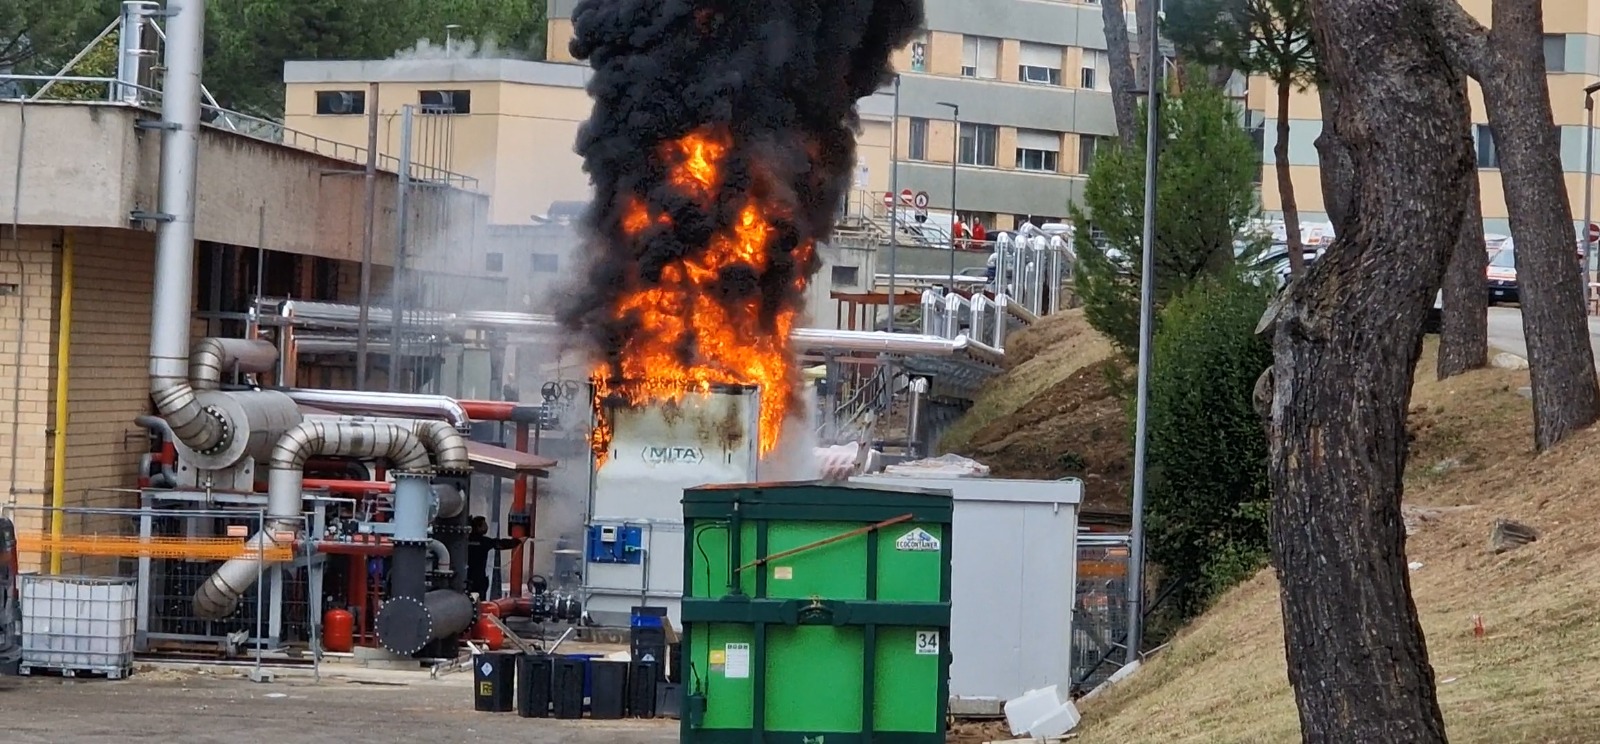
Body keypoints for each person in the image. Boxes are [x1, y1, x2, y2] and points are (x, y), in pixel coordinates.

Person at [467, 516, 523, 599]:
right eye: (484, 525)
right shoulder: (484, 541)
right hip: (479, 580)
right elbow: (500, 544)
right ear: (478, 527)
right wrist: (518, 541)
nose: (486, 528)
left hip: (466, 578)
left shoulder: (465, 540)